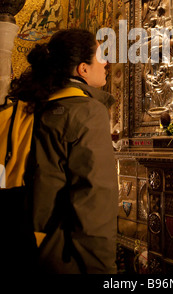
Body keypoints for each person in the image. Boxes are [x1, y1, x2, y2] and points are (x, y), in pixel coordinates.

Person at [7, 28, 118, 274]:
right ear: (83, 69)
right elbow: (95, 202)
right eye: (100, 55)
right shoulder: (86, 111)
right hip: (62, 258)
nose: (106, 63)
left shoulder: (31, 105)